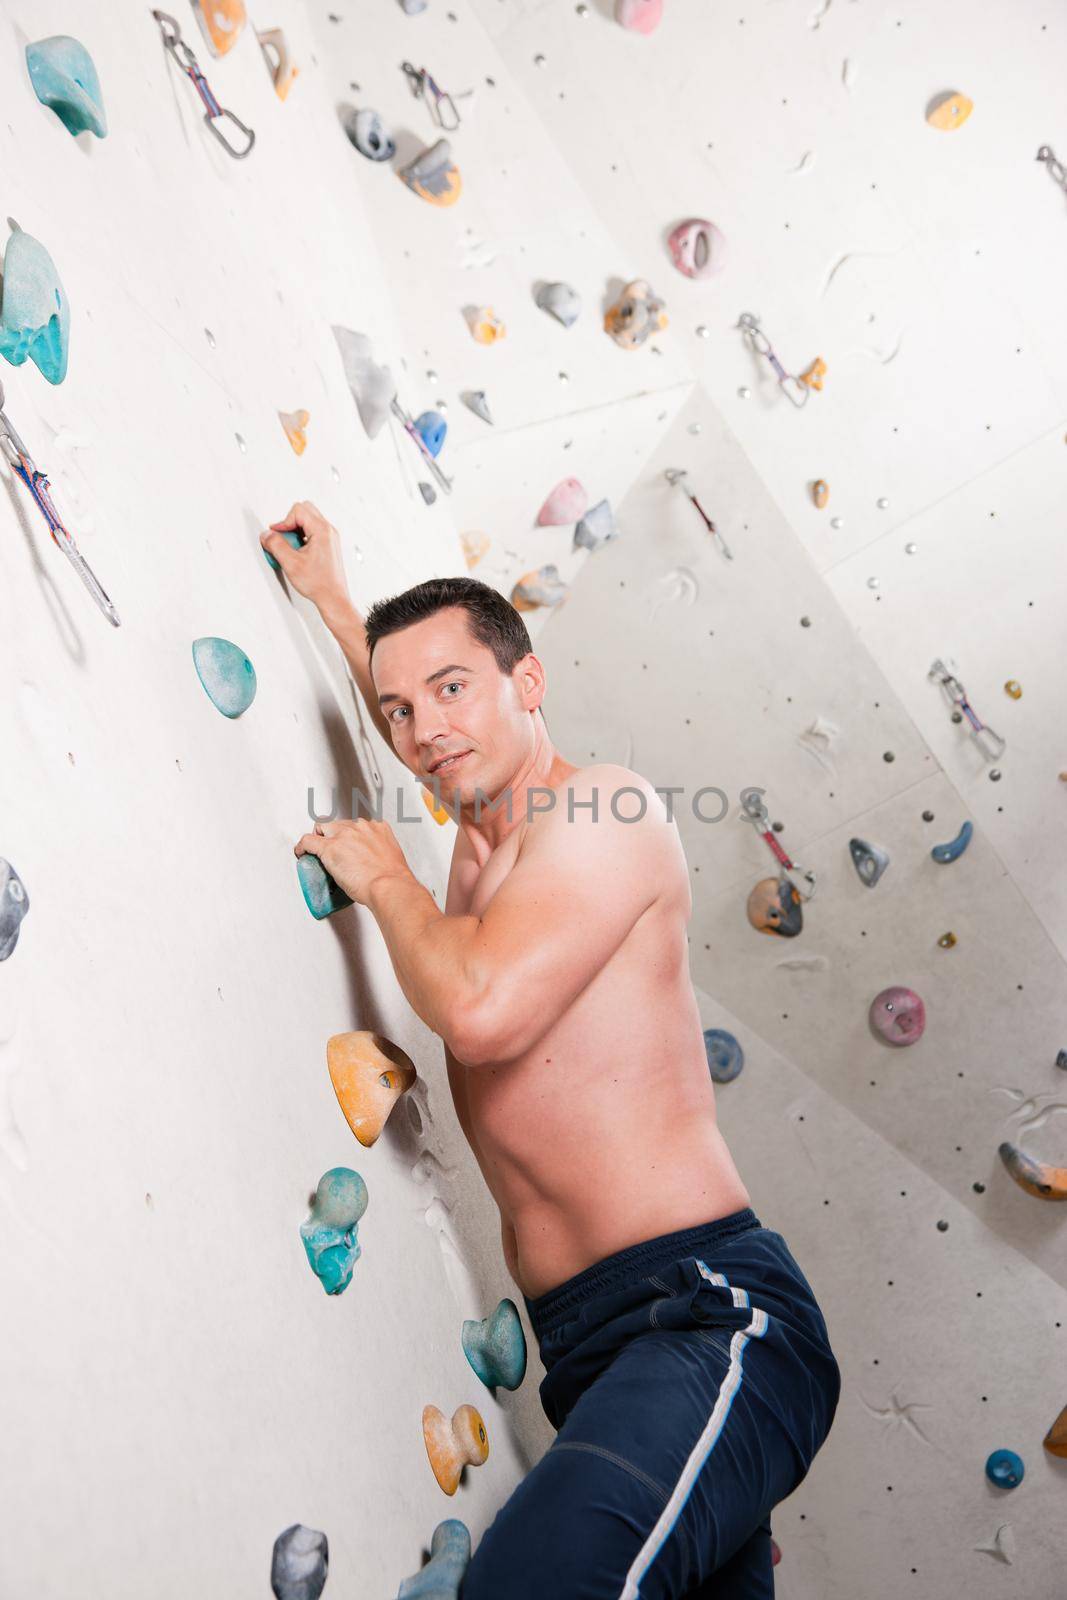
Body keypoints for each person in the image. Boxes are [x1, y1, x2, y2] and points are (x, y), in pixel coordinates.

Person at [262, 502, 841, 1598]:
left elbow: (479, 1009)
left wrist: (381, 877)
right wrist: (337, 603)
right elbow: (426, 712)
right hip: (589, 1353)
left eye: (452, 688)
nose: (424, 725)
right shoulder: (482, 855)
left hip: (703, 1313)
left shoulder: (601, 809)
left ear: (529, 684)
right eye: (398, 706)